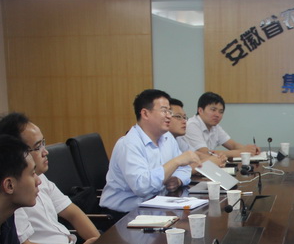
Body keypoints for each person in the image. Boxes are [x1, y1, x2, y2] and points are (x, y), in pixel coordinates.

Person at [0, 113, 100, 244]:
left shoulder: (40, 177)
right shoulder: (13, 192)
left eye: (43, 143)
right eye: (37, 147)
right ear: (16, 154)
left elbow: (72, 213)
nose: (45, 151)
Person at [100, 89, 202, 217]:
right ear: (145, 114)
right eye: (164, 111)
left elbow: (184, 168)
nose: (169, 116)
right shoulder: (129, 144)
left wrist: (178, 180)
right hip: (124, 215)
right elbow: (142, 187)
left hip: (156, 206)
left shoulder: (167, 138)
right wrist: (176, 162)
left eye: (170, 111)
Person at [180, 91, 261, 160]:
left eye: (221, 112)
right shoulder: (191, 125)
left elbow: (233, 145)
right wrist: (241, 152)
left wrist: (250, 149)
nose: (217, 115)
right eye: (213, 110)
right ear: (200, 110)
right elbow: (205, 153)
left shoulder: (215, 127)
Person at [167, 98, 227, 168]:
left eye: (184, 117)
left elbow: (195, 155)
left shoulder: (178, 139)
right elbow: (178, 170)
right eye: (178, 117)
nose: (184, 121)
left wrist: (218, 158)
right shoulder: (164, 140)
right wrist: (211, 161)